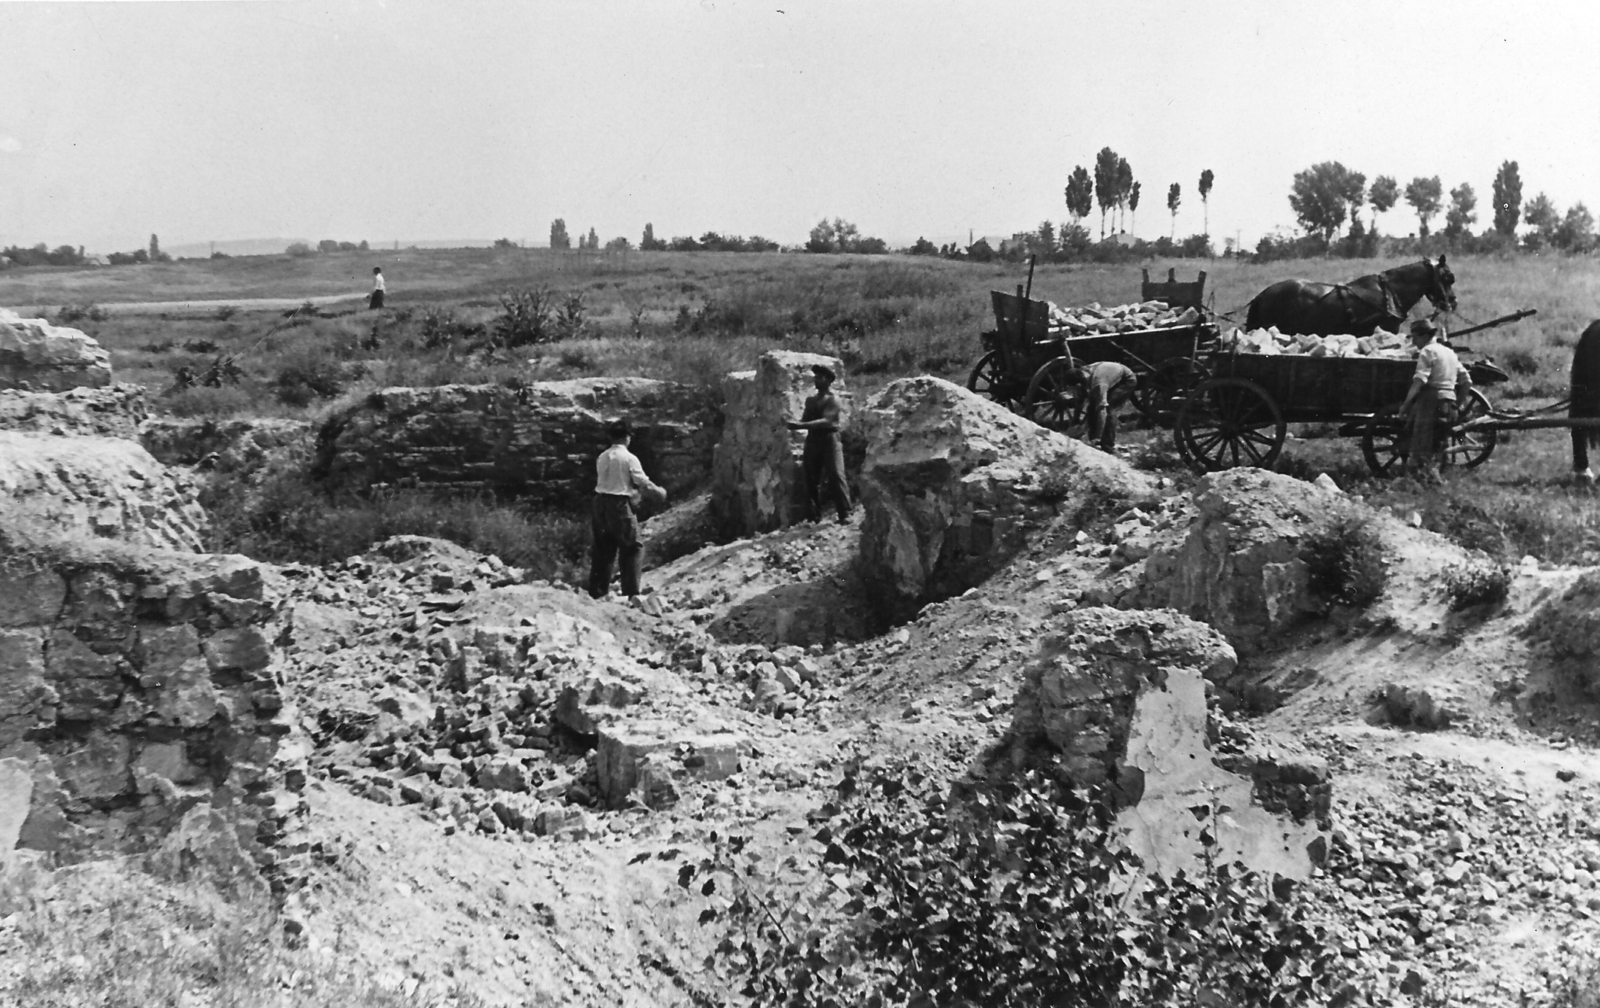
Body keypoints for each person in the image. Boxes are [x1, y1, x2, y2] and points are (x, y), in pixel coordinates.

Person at [588, 419, 666, 599]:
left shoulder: (602, 456)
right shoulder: (629, 458)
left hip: (599, 502)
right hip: (618, 504)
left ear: (610, 437)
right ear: (627, 437)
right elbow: (642, 482)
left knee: (603, 548)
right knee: (633, 547)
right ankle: (631, 593)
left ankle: (597, 592)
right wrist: (659, 493)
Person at [1399, 318, 1469, 481]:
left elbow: (1420, 381)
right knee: (1438, 445)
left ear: (1423, 336)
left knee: (1421, 445)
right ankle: (1431, 480)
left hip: (1431, 403)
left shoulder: (1427, 352)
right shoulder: (1449, 352)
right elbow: (1467, 381)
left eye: (1415, 337)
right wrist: (1456, 405)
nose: (1414, 341)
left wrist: (1405, 405)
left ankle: (1423, 482)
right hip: (1448, 403)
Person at [786, 364, 852, 524]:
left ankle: (845, 513)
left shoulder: (833, 399)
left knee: (836, 474)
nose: (816, 380)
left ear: (829, 380)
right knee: (810, 477)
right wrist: (793, 422)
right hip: (813, 439)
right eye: (815, 377)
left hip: (830, 438)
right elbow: (806, 419)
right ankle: (813, 515)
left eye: (820, 377)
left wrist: (800, 426)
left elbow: (827, 421)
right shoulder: (811, 400)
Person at [1068, 360, 1138, 452]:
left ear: (1079, 384)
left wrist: (1098, 437)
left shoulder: (1099, 384)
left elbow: (1102, 411)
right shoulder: (1082, 374)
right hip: (1108, 375)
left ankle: (1107, 446)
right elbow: (1080, 401)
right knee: (1092, 408)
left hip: (1125, 380)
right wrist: (1075, 421)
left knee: (1109, 410)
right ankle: (1093, 443)